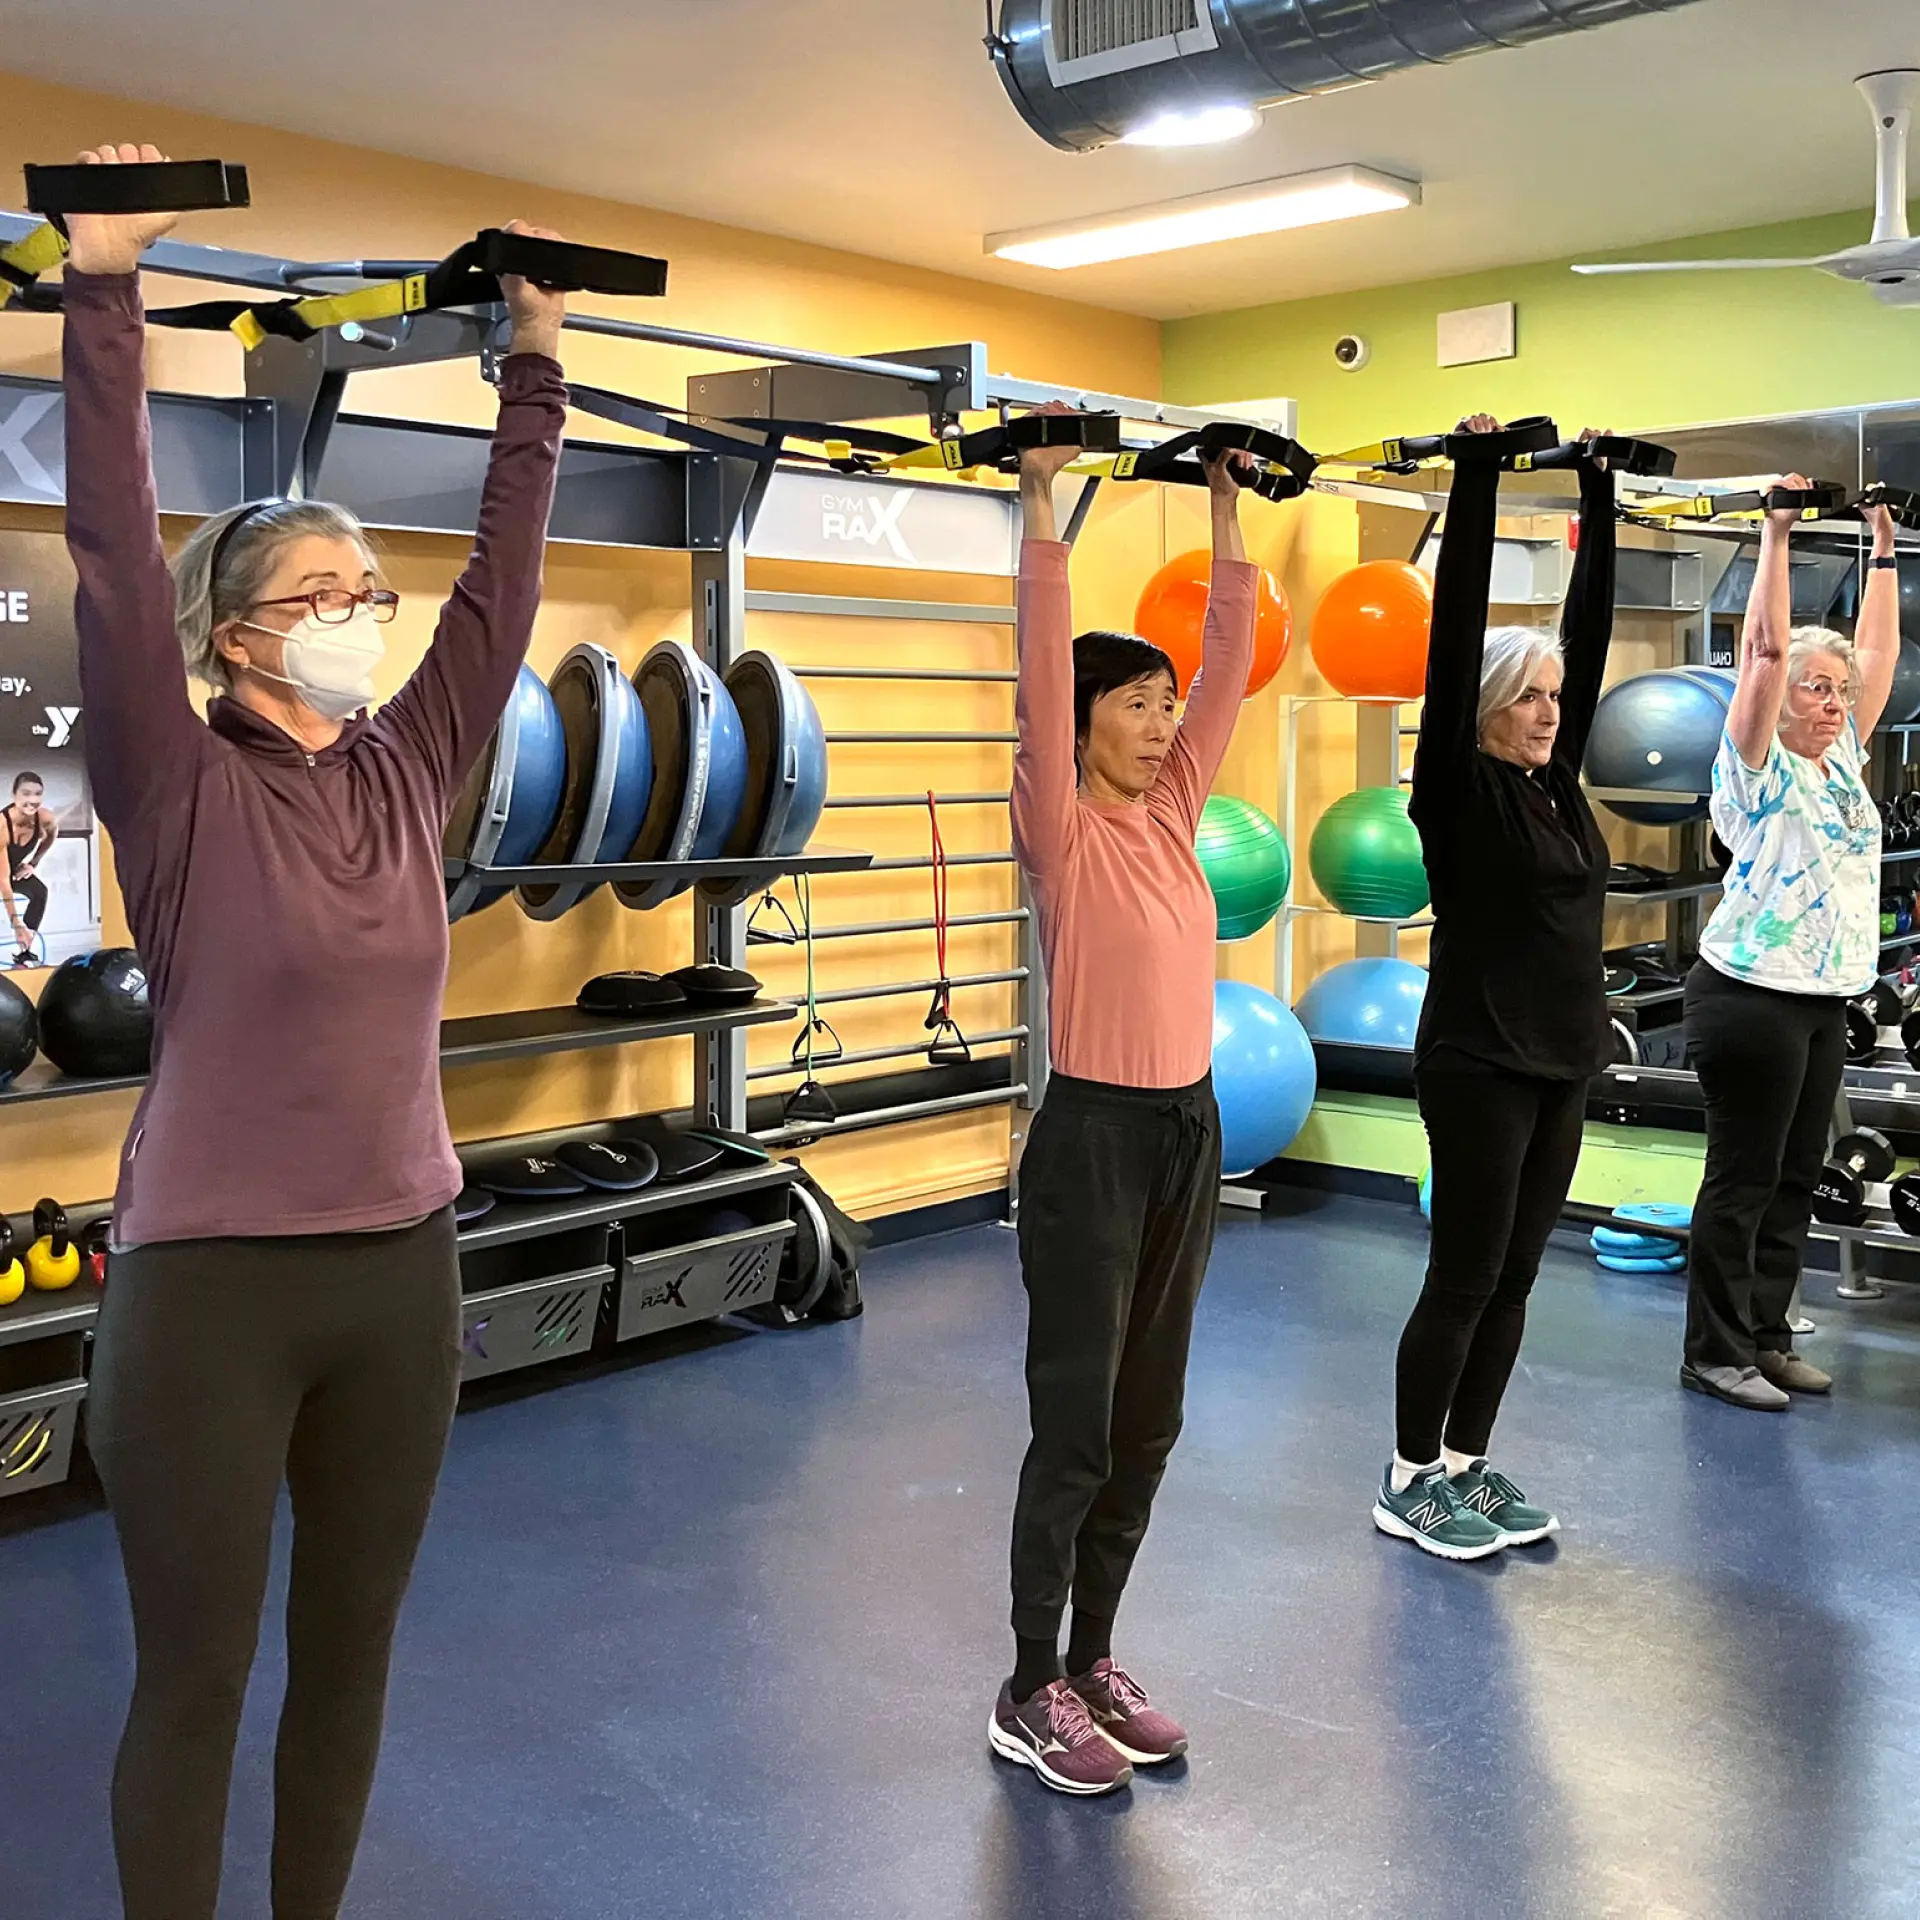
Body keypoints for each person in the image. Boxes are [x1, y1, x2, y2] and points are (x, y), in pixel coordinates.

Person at [64, 143, 569, 1920]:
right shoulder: (177, 783)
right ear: (232, 638)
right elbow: (117, 557)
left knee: (351, 1668)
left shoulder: (410, 770)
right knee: (195, 1682)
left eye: (370, 593)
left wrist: (535, 361)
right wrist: (106, 281)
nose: (363, 616)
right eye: (324, 596)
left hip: (400, 1271)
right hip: (210, 1290)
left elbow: (502, 594)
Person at [989, 406, 1256, 1797]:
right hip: (1090, 1140)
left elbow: (1229, 663)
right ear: (1085, 717)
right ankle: (1028, 1678)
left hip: (1188, 1132)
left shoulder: (1173, 811)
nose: (1163, 722)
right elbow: (1039, 673)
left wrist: (1226, 508)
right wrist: (1043, 504)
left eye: (1166, 706)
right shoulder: (1067, 826)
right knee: (1078, 1420)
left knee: (1148, 1419)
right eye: (1135, 702)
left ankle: (1097, 1654)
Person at [1373, 418, 1620, 1561]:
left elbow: (1593, 634)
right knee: (1466, 1275)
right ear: (1488, 706)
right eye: (1531, 699)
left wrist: (1596, 491)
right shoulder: (1458, 791)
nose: (1551, 714)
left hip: (1563, 1060)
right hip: (1479, 1060)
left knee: (1518, 1278)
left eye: (1559, 700)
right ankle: (1408, 1474)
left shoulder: (1556, 785)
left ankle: (1466, 1465)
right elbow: (1454, 631)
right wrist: (1475, 479)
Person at [1680, 486, 1901, 1410]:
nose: (1832, 703)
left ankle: (1767, 1339)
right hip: (1748, 994)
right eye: (1817, 689)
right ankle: (1714, 1352)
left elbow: (1882, 651)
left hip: (1820, 998)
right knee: (1743, 1180)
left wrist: (1884, 545)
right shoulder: (1755, 762)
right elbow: (1766, 650)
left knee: (1796, 1177)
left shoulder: (1840, 756)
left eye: (1839, 693)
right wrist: (1774, 533)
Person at [3, 770, 58, 964]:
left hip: (12, 871)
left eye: (37, 794)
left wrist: (33, 863)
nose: (32, 800)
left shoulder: (44, 818)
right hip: (2, 873)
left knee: (40, 892)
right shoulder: (2, 825)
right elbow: (3, 880)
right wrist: (15, 923)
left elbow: (51, 836)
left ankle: (25, 949)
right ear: (14, 795)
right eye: (26, 793)